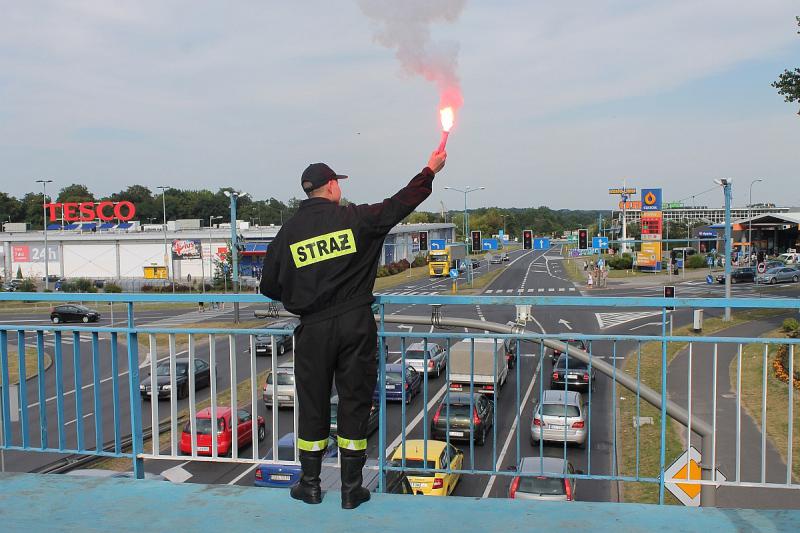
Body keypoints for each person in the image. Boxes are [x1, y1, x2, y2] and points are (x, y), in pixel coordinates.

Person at [259, 151, 447, 509]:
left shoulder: (289, 233)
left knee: (313, 405)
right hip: (355, 324)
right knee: (355, 404)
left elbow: (269, 284)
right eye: (338, 184)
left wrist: (301, 295)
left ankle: (310, 485)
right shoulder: (356, 219)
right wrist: (429, 171)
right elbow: (399, 204)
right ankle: (351, 489)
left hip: (312, 328)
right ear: (332, 186)